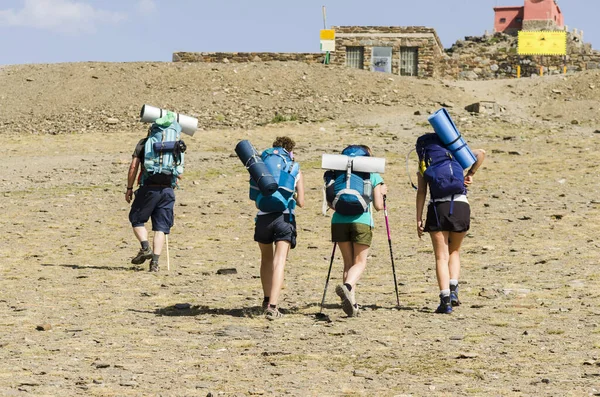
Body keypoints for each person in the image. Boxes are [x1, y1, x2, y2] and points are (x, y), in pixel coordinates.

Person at [416, 137, 486, 314]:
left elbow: (422, 192)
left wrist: (418, 218)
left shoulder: (425, 165)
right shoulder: (455, 156)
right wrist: (470, 174)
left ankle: (445, 301)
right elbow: (481, 153)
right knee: (454, 251)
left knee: (441, 256)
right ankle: (454, 291)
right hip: (461, 205)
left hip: (438, 207)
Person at [327, 145, 387, 317]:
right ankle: (347, 287)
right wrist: (382, 193)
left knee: (347, 263)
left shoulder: (337, 174)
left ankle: (351, 303)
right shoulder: (372, 174)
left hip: (339, 221)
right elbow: (378, 206)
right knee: (360, 263)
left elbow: (331, 204)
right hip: (361, 221)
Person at [253, 136, 305, 320]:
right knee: (279, 261)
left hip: (263, 218)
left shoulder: (261, 168)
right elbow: (301, 202)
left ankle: (266, 299)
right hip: (285, 217)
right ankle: (273, 306)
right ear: (290, 152)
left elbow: (255, 198)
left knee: (266, 259)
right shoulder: (293, 168)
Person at [125, 113, 184, 272]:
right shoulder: (176, 145)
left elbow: (133, 167)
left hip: (148, 189)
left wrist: (129, 188)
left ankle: (145, 247)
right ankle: (155, 264)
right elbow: (180, 172)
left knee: (136, 218)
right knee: (161, 227)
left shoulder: (144, 143)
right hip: (167, 191)